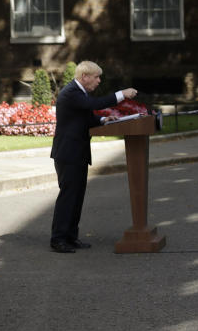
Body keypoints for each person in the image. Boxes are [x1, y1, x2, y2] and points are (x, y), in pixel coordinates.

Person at [50, 62, 138, 253]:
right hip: (68, 153)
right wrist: (122, 94)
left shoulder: (80, 93)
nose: (99, 81)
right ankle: (58, 239)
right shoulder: (71, 92)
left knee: (77, 197)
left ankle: (71, 237)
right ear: (84, 77)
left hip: (77, 152)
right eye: (96, 77)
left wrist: (103, 120)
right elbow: (95, 104)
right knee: (68, 197)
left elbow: (86, 116)